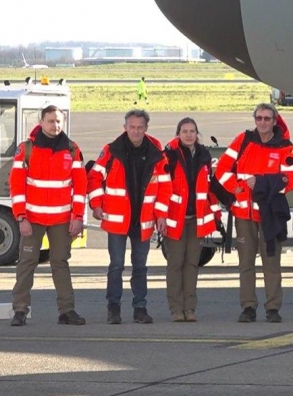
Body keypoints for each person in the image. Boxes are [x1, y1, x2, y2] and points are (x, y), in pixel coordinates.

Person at [214, 103, 293, 323]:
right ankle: (248, 307)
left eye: (267, 118)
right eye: (259, 118)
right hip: (244, 215)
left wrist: (262, 184)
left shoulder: (285, 147)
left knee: (271, 264)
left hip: (271, 216)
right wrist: (236, 187)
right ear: (255, 120)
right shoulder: (242, 141)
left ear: (274, 121)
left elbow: (291, 180)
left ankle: (273, 308)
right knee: (246, 264)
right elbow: (222, 170)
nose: (263, 122)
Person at [88, 109, 172, 325]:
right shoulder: (111, 150)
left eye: (140, 127)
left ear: (146, 128)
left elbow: (164, 188)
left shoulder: (156, 153)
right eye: (132, 127)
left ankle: (140, 308)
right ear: (125, 127)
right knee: (116, 265)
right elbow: (94, 177)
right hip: (117, 220)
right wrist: (96, 205)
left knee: (140, 267)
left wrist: (161, 215)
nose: (136, 131)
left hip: (143, 221)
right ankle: (113, 309)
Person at [9, 105, 87, 326]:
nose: (56, 125)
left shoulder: (72, 150)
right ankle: (20, 311)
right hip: (32, 220)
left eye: (59, 121)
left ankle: (67, 311)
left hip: (62, 221)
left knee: (60, 263)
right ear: (41, 122)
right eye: (51, 121)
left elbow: (80, 188)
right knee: (27, 263)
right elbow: (16, 185)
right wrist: (21, 217)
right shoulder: (26, 149)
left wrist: (78, 217)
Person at [162, 118, 220, 322]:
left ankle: (190, 308)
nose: (189, 135)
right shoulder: (169, 155)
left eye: (192, 131)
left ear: (197, 133)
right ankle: (176, 309)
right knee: (175, 264)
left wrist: (216, 215)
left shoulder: (204, 155)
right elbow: (161, 188)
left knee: (192, 264)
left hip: (196, 219)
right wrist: (160, 216)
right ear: (178, 133)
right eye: (185, 131)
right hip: (175, 218)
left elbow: (209, 188)